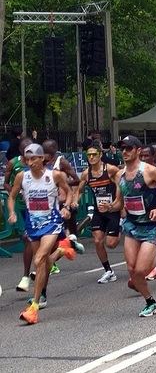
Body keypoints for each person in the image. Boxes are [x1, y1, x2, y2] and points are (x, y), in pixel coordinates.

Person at [8, 143, 75, 324]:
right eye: (27, 159)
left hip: (52, 223)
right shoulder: (22, 176)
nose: (30, 163)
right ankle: (61, 251)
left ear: (42, 158)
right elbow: (12, 196)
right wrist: (12, 212)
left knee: (38, 260)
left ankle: (34, 307)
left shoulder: (54, 175)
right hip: (33, 224)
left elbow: (69, 192)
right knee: (43, 263)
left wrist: (67, 207)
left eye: (33, 159)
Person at [117, 135, 156, 317]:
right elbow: (119, 202)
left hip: (149, 227)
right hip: (131, 226)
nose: (125, 152)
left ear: (137, 150)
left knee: (140, 271)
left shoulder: (149, 171)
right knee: (131, 270)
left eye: (129, 148)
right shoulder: (120, 174)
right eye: (123, 149)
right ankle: (150, 302)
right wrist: (109, 207)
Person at [75, 141, 122, 283]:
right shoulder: (86, 174)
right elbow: (79, 190)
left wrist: (115, 205)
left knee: (111, 244)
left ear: (100, 155)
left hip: (113, 210)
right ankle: (108, 270)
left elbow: (121, 187)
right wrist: (74, 201)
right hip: (99, 210)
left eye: (94, 154)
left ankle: (120, 226)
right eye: (88, 155)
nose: (91, 157)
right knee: (97, 240)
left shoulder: (111, 170)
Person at [5, 137, 34, 292]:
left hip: (42, 211)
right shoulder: (14, 165)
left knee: (41, 241)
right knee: (27, 237)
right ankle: (26, 276)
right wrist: (15, 194)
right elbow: (6, 184)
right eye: (26, 153)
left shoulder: (42, 166)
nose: (30, 157)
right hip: (22, 206)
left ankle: (50, 260)